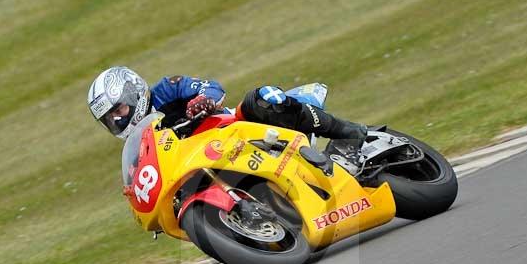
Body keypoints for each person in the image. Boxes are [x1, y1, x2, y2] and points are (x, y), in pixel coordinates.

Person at [87, 66, 367, 156]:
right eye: (110, 119)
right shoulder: (141, 146)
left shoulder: (166, 90)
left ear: (133, 91)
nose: (119, 118)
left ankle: (348, 132)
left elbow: (212, 87)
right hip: (208, 159)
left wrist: (203, 100)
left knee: (261, 98)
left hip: (232, 127)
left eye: (119, 109)